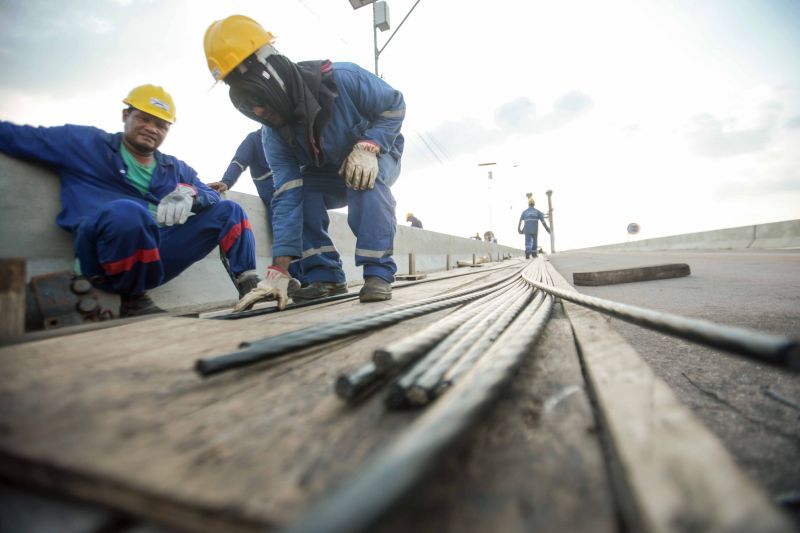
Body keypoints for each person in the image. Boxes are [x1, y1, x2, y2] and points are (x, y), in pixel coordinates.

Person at [0, 84, 260, 317]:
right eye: (144, 118)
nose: (151, 128)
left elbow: (212, 194)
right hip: (104, 260)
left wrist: (193, 195)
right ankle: (132, 301)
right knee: (128, 211)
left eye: (160, 124)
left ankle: (250, 285)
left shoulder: (174, 168)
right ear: (127, 115)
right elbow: (15, 136)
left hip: (156, 258)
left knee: (229, 210)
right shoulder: (83, 143)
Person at [204, 15, 405, 310]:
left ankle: (378, 274)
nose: (258, 109)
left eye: (256, 97)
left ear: (271, 74)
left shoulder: (344, 79)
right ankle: (325, 275)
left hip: (377, 155)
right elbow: (286, 197)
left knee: (364, 179)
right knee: (301, 195)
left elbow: (394, 105)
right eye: (247, 104)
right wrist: (279, 270)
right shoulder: (273, 136)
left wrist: (370, 144)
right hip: (327, 171)